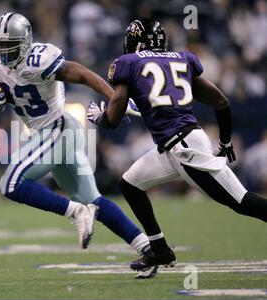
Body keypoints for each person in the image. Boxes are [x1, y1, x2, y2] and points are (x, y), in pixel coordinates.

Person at [0, 12, 157, 278]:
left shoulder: (39, 59)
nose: (1, 53)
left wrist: (114, 97)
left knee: (10, 184)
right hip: (48, 132)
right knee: (94, 200)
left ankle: (76, 212)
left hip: (56, 128)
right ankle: (148, 248)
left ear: (24, 43)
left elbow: (82, 74)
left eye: (8, 46)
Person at [87, 19, 267, 271]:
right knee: (130, 184)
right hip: (176, 144)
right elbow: (221, 101)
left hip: (184, 148)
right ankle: (159, 250)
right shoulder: (183, 59)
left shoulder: (127, 63)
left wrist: (100, 118)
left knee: (241, 202)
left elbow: (114, 120)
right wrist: (225, 141)